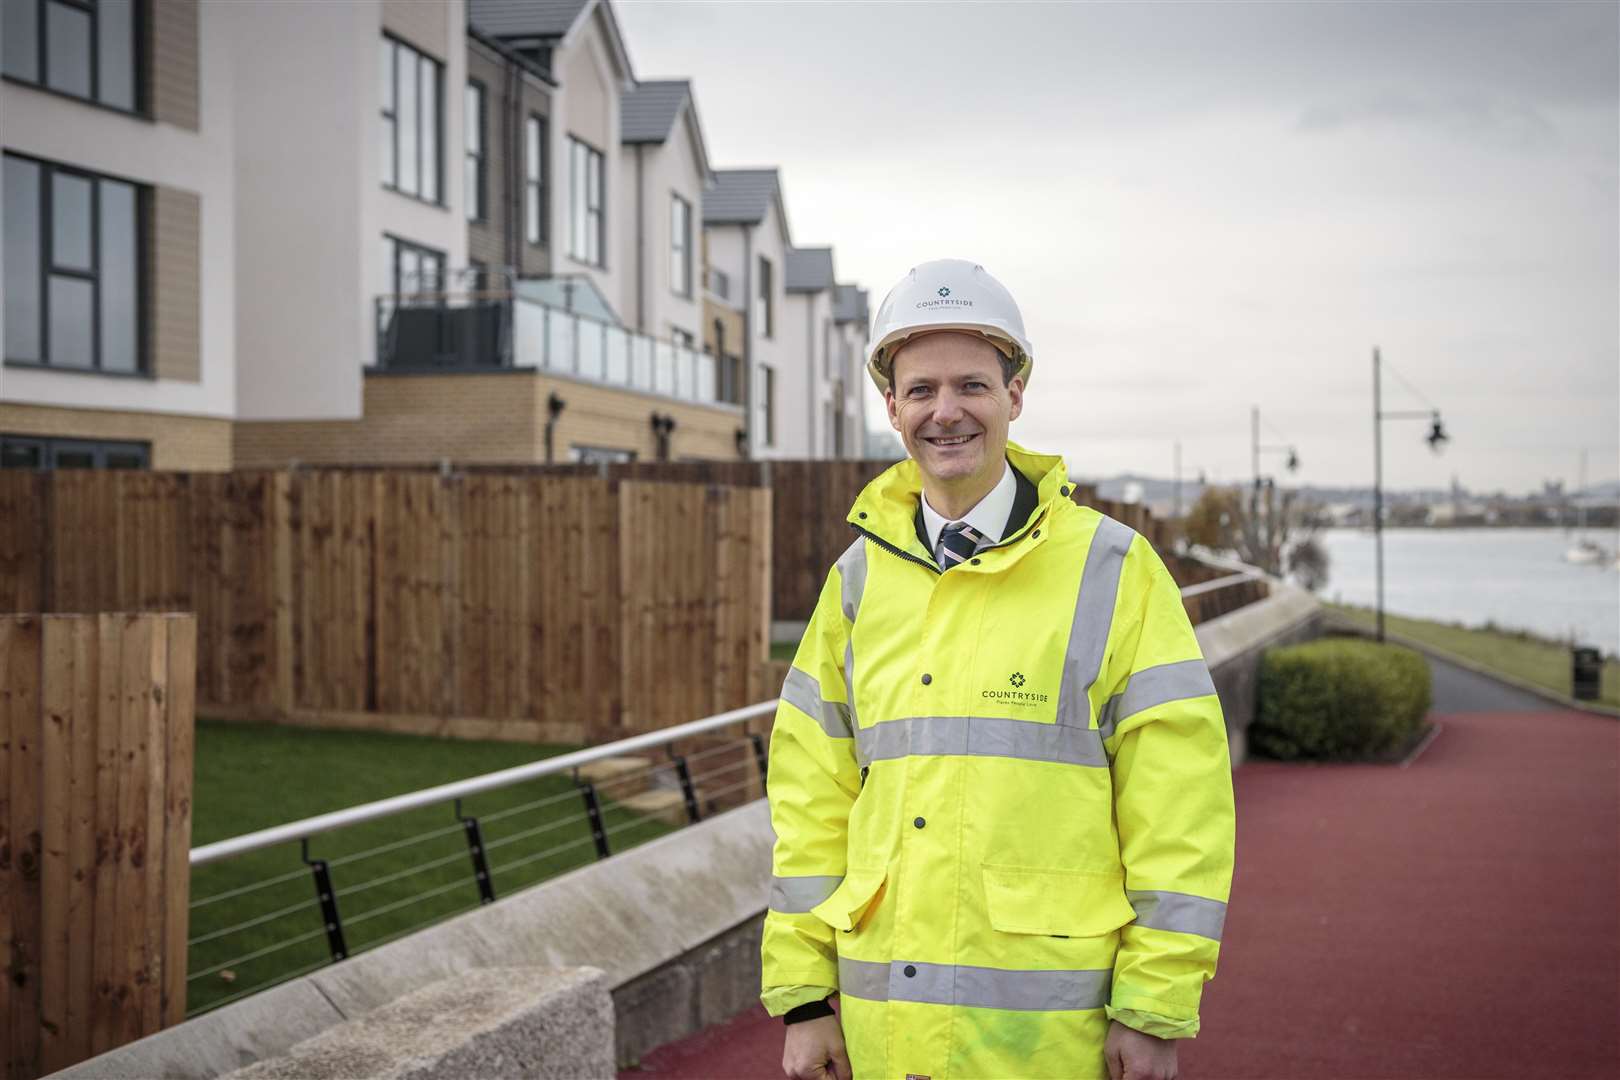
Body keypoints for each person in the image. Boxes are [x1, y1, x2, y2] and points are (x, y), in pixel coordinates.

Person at [759, 259, 1235, 1080]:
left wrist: (1155, 1005)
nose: (946, 412)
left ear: (1015, 396)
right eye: (921, 390)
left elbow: (1178, 798)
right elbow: (810, 795)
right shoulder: (858, 580)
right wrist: (804, 997)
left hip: (1054, 1039)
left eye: (972, 386)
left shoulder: (1115, 568)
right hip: (885, 1029)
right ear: (891, 408)